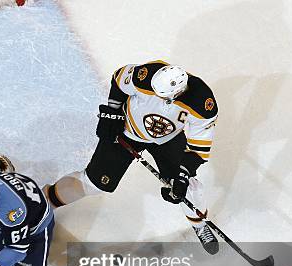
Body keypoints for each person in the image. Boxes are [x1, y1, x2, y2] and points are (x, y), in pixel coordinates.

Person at [44, 61, 219, 253]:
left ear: (177, 93)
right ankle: (45, 202)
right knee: (95, 183)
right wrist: (112, 113)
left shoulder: (203, 103)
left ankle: (200, 225)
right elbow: (119, 80)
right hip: (126, 131)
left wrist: (182, 176)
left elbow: (197, 149)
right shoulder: (146, 75)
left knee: (188, 188)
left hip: (167, 140)